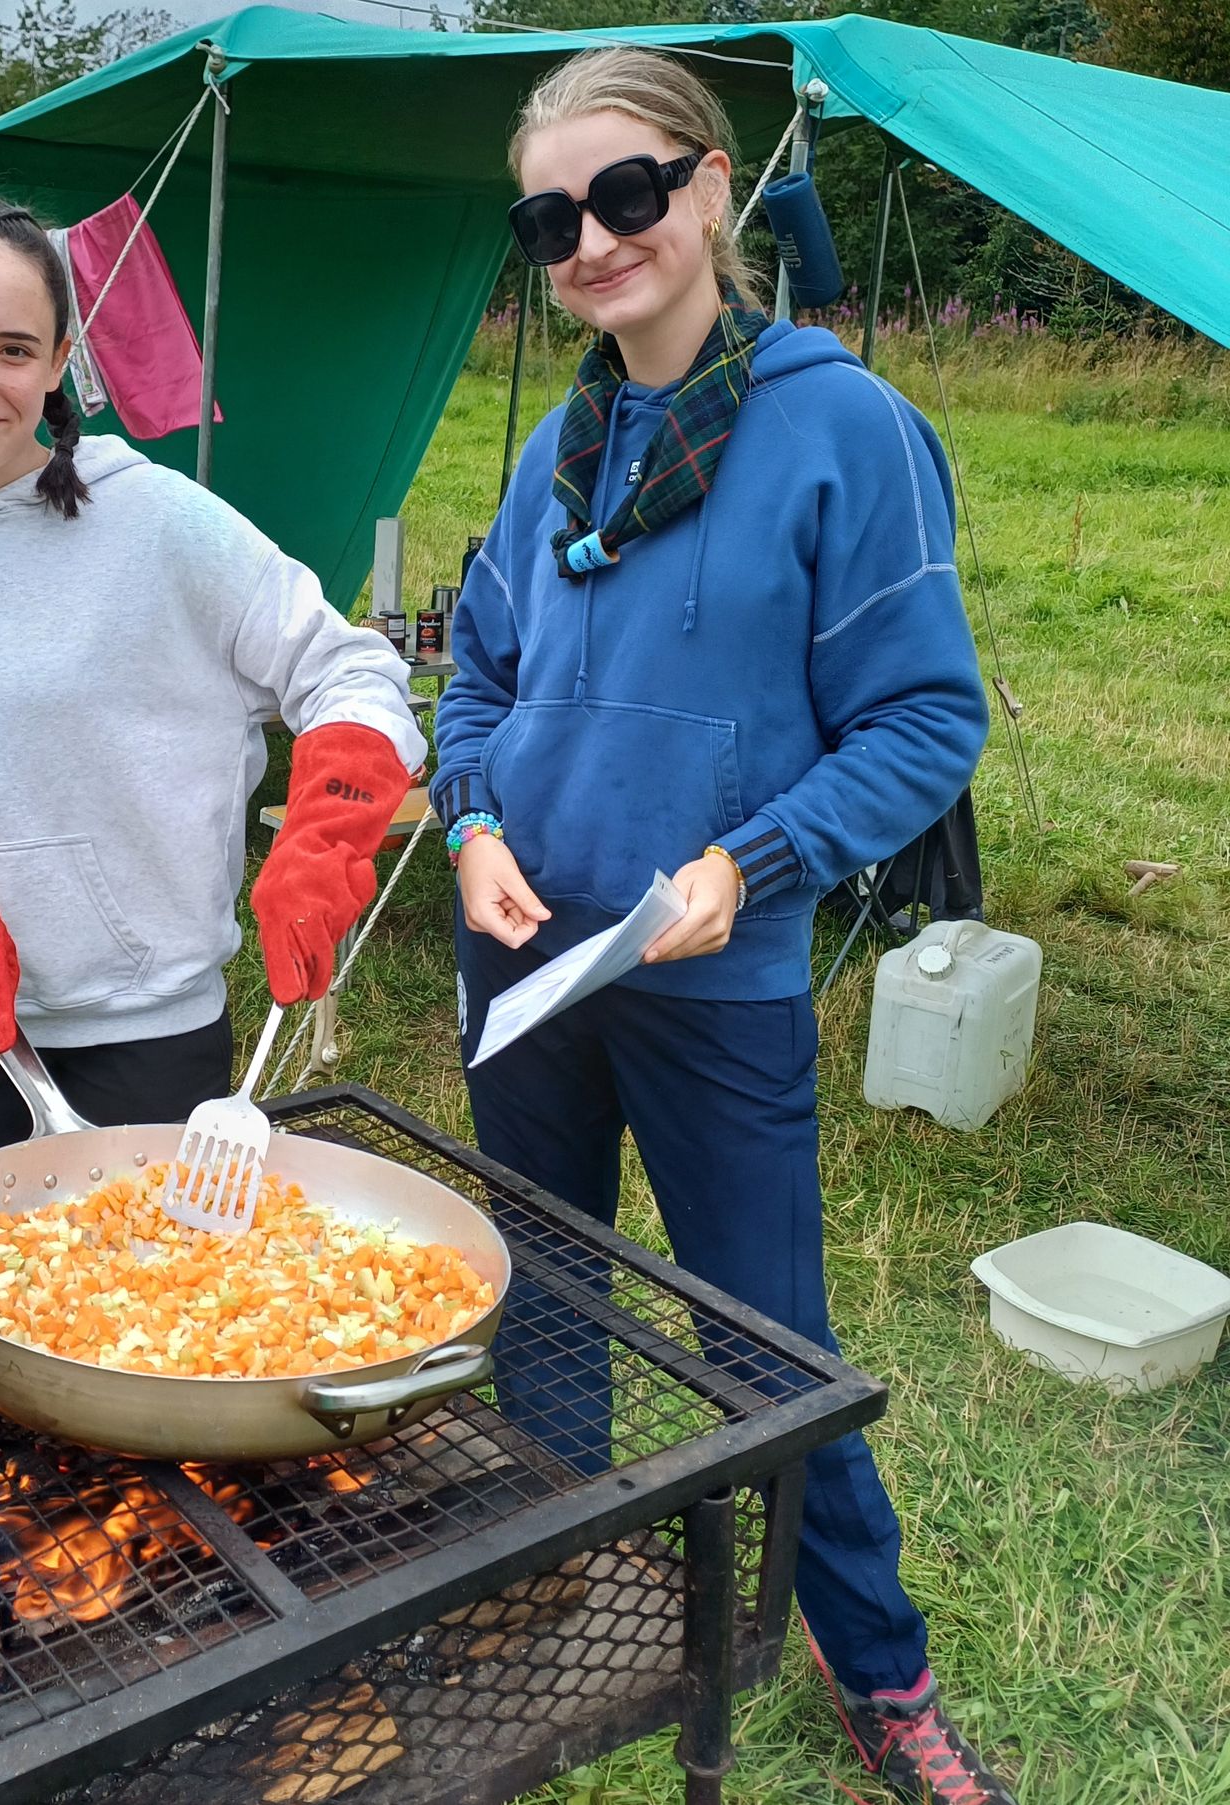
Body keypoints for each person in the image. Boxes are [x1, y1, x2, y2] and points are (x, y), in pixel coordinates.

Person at [430, 49, 1012, 1805]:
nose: (594, 241)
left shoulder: (844, 429)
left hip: (709, 967)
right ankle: (560, 1572)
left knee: (764, 1344)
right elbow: (478, 669)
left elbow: (927, 721)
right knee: (539, 1277)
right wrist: (467, 826)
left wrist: (748, 869)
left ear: (710, 187)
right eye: (553, 216)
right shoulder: (561, 443)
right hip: (523, 952)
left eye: (625, 193)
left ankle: (876, 1669)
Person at [0, 195, 424, 1184]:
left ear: (60, 357)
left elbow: (352, 670)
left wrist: (326, 831)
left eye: (14, 350)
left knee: (151, 1317)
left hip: (149, 1030)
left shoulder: (158, 523)